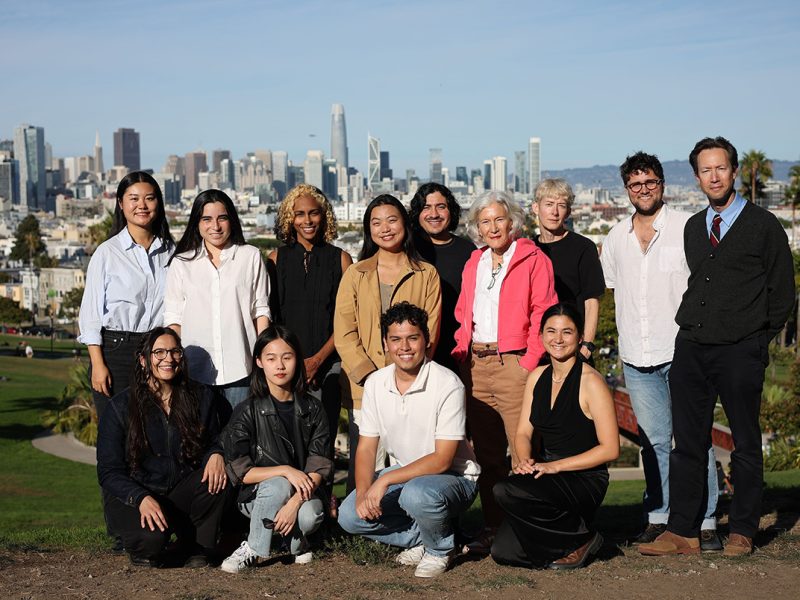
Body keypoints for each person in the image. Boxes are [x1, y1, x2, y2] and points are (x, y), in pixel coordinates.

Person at [640, 137, 795, 557]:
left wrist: (755, 342)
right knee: (686, 441)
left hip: (740, 349)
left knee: (744, 441)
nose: (713, 176)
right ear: (696, 177)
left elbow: (782, 295)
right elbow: (701, 283)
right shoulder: (694, 227)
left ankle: (743, 530)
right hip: (692, 344)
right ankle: (683, 531)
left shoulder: (764, 226)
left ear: (734, 171)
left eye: (720, 168)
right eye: (705, 170)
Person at [601, 151, 721, 550]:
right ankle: (660, 515)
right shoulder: (616, 238)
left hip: (683, 350)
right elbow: (615, 291)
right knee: (654, 441)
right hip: (636, 355)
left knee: (693, 438)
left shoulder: (687, 227)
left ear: (662, 184)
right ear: (626, 190)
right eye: (636, 184)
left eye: (650, 182)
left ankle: (705, 520)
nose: (644, 190)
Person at [338, 302, 480, 578]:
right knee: (349, 515)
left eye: (413, 338)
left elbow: (443, 459)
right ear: (385, 343)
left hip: (455, 478)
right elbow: (367, 447)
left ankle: (440, 549)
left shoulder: (447, 383)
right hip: (407, 475)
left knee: (417, 493)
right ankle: (422, 538)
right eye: (396, 339)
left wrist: (385, 480)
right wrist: (365, 491)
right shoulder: (376, 383)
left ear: (426, 340)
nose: (405, 347)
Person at [453, 190, 558, 555]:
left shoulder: (533, 258)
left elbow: (544, 312)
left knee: (523, 453)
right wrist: (461, 352)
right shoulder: (473, 263)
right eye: (485, 221)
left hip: (514, 362)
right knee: (489, 456)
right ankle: (495, 528)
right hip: (476, 365)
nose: (493, 227)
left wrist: (527, 363)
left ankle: (532, 531)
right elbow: (464, 313)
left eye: (499, 219)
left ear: (512, 222)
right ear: (477, 228)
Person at [491, 302, 619, 569]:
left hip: (584, 477)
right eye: (551, 331)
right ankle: (569, 537)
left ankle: (582, 538)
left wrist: (554, 466)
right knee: (503, 551)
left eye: (567, 332)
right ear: (540, 336)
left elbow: (610, 449)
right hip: (546, 473)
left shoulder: (591, 382)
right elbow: (523, 432)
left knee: (504, 489)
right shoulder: (537, 377)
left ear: (580, 337)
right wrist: (525, 460)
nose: (558, 339)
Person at [334, 194, 441, 492]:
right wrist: (372, 377)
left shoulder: (426, 274)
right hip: (365, 388)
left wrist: (405, 376)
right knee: (366, 460)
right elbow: (344, 331)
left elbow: (429, 333)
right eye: (376, 222)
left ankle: (407, 528)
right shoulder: (356, 274)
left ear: (405, 223)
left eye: (392, 220)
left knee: (410, 461)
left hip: (412, 384)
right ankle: (362, 527)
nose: (385, 228)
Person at [96, 327, 228, 568]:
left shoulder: (200, 396)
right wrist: (140, 497)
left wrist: (216, 453)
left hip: (179, 491)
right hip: (138, 495)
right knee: (151, 543)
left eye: (175, 351)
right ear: (144, 360)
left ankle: (196, 546)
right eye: (159, 352)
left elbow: (216, 439)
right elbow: (108, 471)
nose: (168, 358)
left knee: (217, 476)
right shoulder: (120, 406)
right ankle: (153, 544)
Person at [219, 325, 333, 572]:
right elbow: (240, 471)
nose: (280, 366)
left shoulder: (313, 410)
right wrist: (285, 470)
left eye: (287, 357)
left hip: (302, 494)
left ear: (297, 360)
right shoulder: (246, 411)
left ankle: (288, 538)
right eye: (271, 358)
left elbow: (319, 465)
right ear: (259, 362)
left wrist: (293, 504)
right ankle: (255, 547)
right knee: (278, 483)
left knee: (309, 515)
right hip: (257, 495)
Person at [79, 171, 174, 420]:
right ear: (121, 204)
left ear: (158, 204)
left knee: (156, 431)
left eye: (149, 198)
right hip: (116, 352)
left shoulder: (172, 252)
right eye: (133, 199)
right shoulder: (107, 253)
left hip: (157, 352)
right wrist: (98, 365)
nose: (141, 205)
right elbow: (90, 315)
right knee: (116, 433)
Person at [164, 189, 270, 410]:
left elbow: (260, 310)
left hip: (241, 368)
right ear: (197, 223)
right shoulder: (182, 263)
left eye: (222, 218)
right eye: (207, 219)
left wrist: (264, 358)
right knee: (200, 440)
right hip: (195, 371)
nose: (215, 226)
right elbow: (174, 319)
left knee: (239, 440)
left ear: (232, 220)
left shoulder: (249, 256)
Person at [268, 184, 352, 459]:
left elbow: (347, 319)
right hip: (286, 366)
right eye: (300, 214)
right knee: (287, 440)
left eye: (313, 213)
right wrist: (293, 364)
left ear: (324, 215)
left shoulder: (340, 259)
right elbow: (271, 318)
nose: (307, 221)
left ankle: (325, 499)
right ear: (289, 219)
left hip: (328, 365)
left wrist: (317, 361)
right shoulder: (275, 259)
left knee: (322, 440)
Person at [532, 179, 604, 362]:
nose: (554, 212)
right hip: (535, 347)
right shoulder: (528, 248)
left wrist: (587, 346)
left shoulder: (583, 248)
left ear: (569, 212)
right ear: (535, 207)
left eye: (561, 206)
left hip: (573, 346)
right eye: (548, 204)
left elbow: (591, 301)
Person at [409, 182, 475, 372]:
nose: (434, 214)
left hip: (455, 348)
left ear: (451, 211)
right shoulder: (408, 249)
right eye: (426, 207)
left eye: (441, 207)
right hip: (413, 345)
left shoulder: (467, 251)